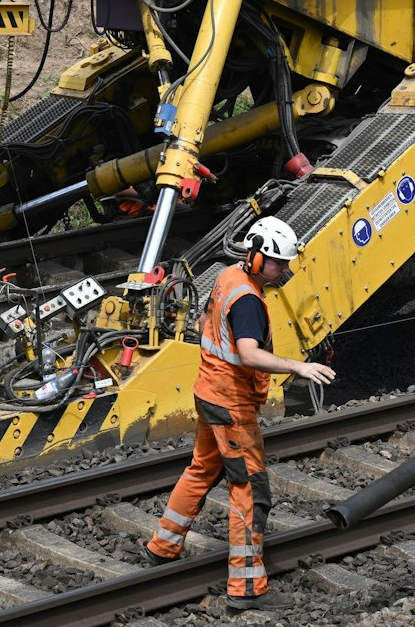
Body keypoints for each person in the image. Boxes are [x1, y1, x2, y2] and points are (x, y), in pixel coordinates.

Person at [145, 216, 335, 611]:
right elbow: (249, 354)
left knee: (201, 469)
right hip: (231, 405)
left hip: (208, 393)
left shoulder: (228, 277)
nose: (285, 270)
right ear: (258, 258)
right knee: (250, 490)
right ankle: (246, 587)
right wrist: (298, 367)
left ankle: (163, 545)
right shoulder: (248, 300)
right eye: (279, 263)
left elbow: (204, 323)